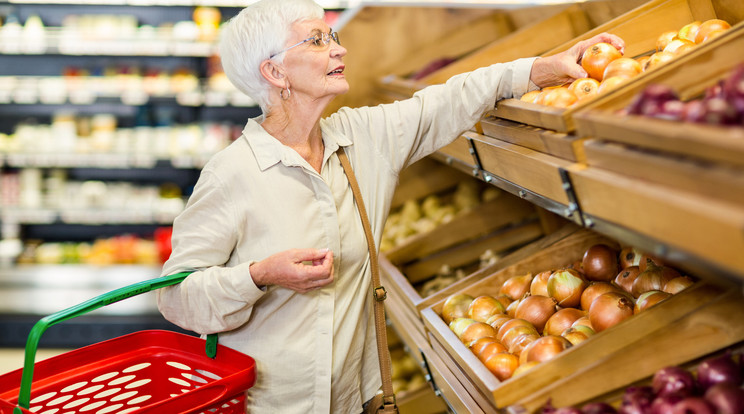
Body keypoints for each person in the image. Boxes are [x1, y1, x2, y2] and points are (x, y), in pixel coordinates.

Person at [156, 0, 625, 412]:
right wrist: (259, 275)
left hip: (354, 402)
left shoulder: (362, 138)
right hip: (267, 405)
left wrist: (540, 70)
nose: (339, 49)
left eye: (333, 36)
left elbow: (447, 101)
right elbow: (177, 297)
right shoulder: (233, 173)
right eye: (317, 40)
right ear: (275, 72)